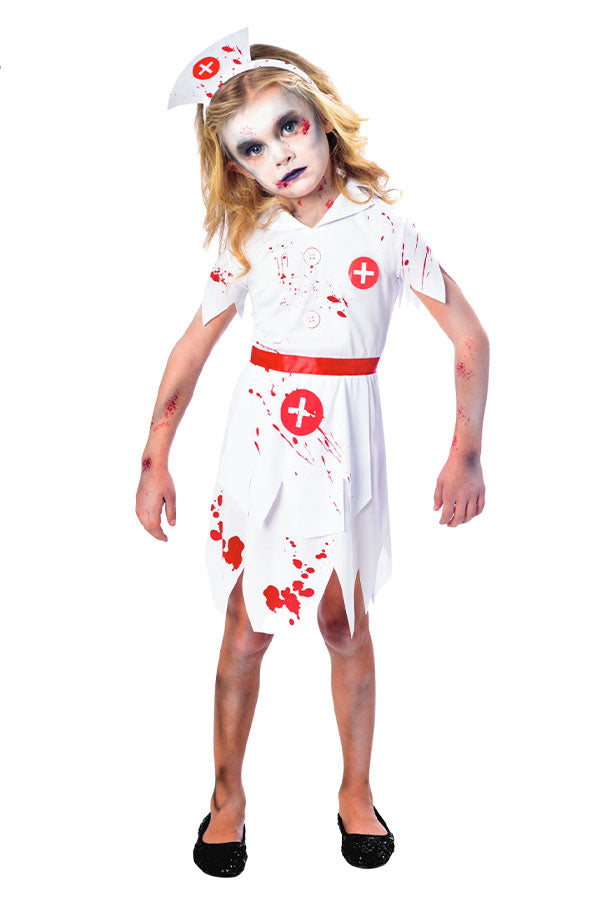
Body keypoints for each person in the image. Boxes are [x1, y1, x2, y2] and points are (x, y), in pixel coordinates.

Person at [135, 27, 489, 876]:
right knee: (246, 626)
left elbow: (470, 338)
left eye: (288, 127)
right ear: (238, 168)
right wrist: (155, 457)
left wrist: (466, 453)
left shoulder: (387, 231)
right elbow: (191, 349)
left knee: (344, 621)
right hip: (261, 443)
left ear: (322, 122)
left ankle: (355, 791)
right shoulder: (250, 238)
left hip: (345, 445)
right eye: (252, 147)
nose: (279, 153)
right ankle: (227, 797)